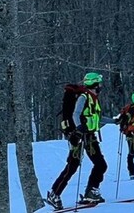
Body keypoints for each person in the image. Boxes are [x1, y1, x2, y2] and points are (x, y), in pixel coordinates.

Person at [46, 72, 114, 210]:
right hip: (79, 136)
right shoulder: (84, 97)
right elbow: (75, 114)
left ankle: (91, 191)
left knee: (100, 164)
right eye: (99, 83)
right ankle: (55, 193)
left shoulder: (93, 98)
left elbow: (97, 118)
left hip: (89, 136)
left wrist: (115, 121)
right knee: (73, 166)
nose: (101, 86)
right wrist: (78, 128)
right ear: (94, 84)